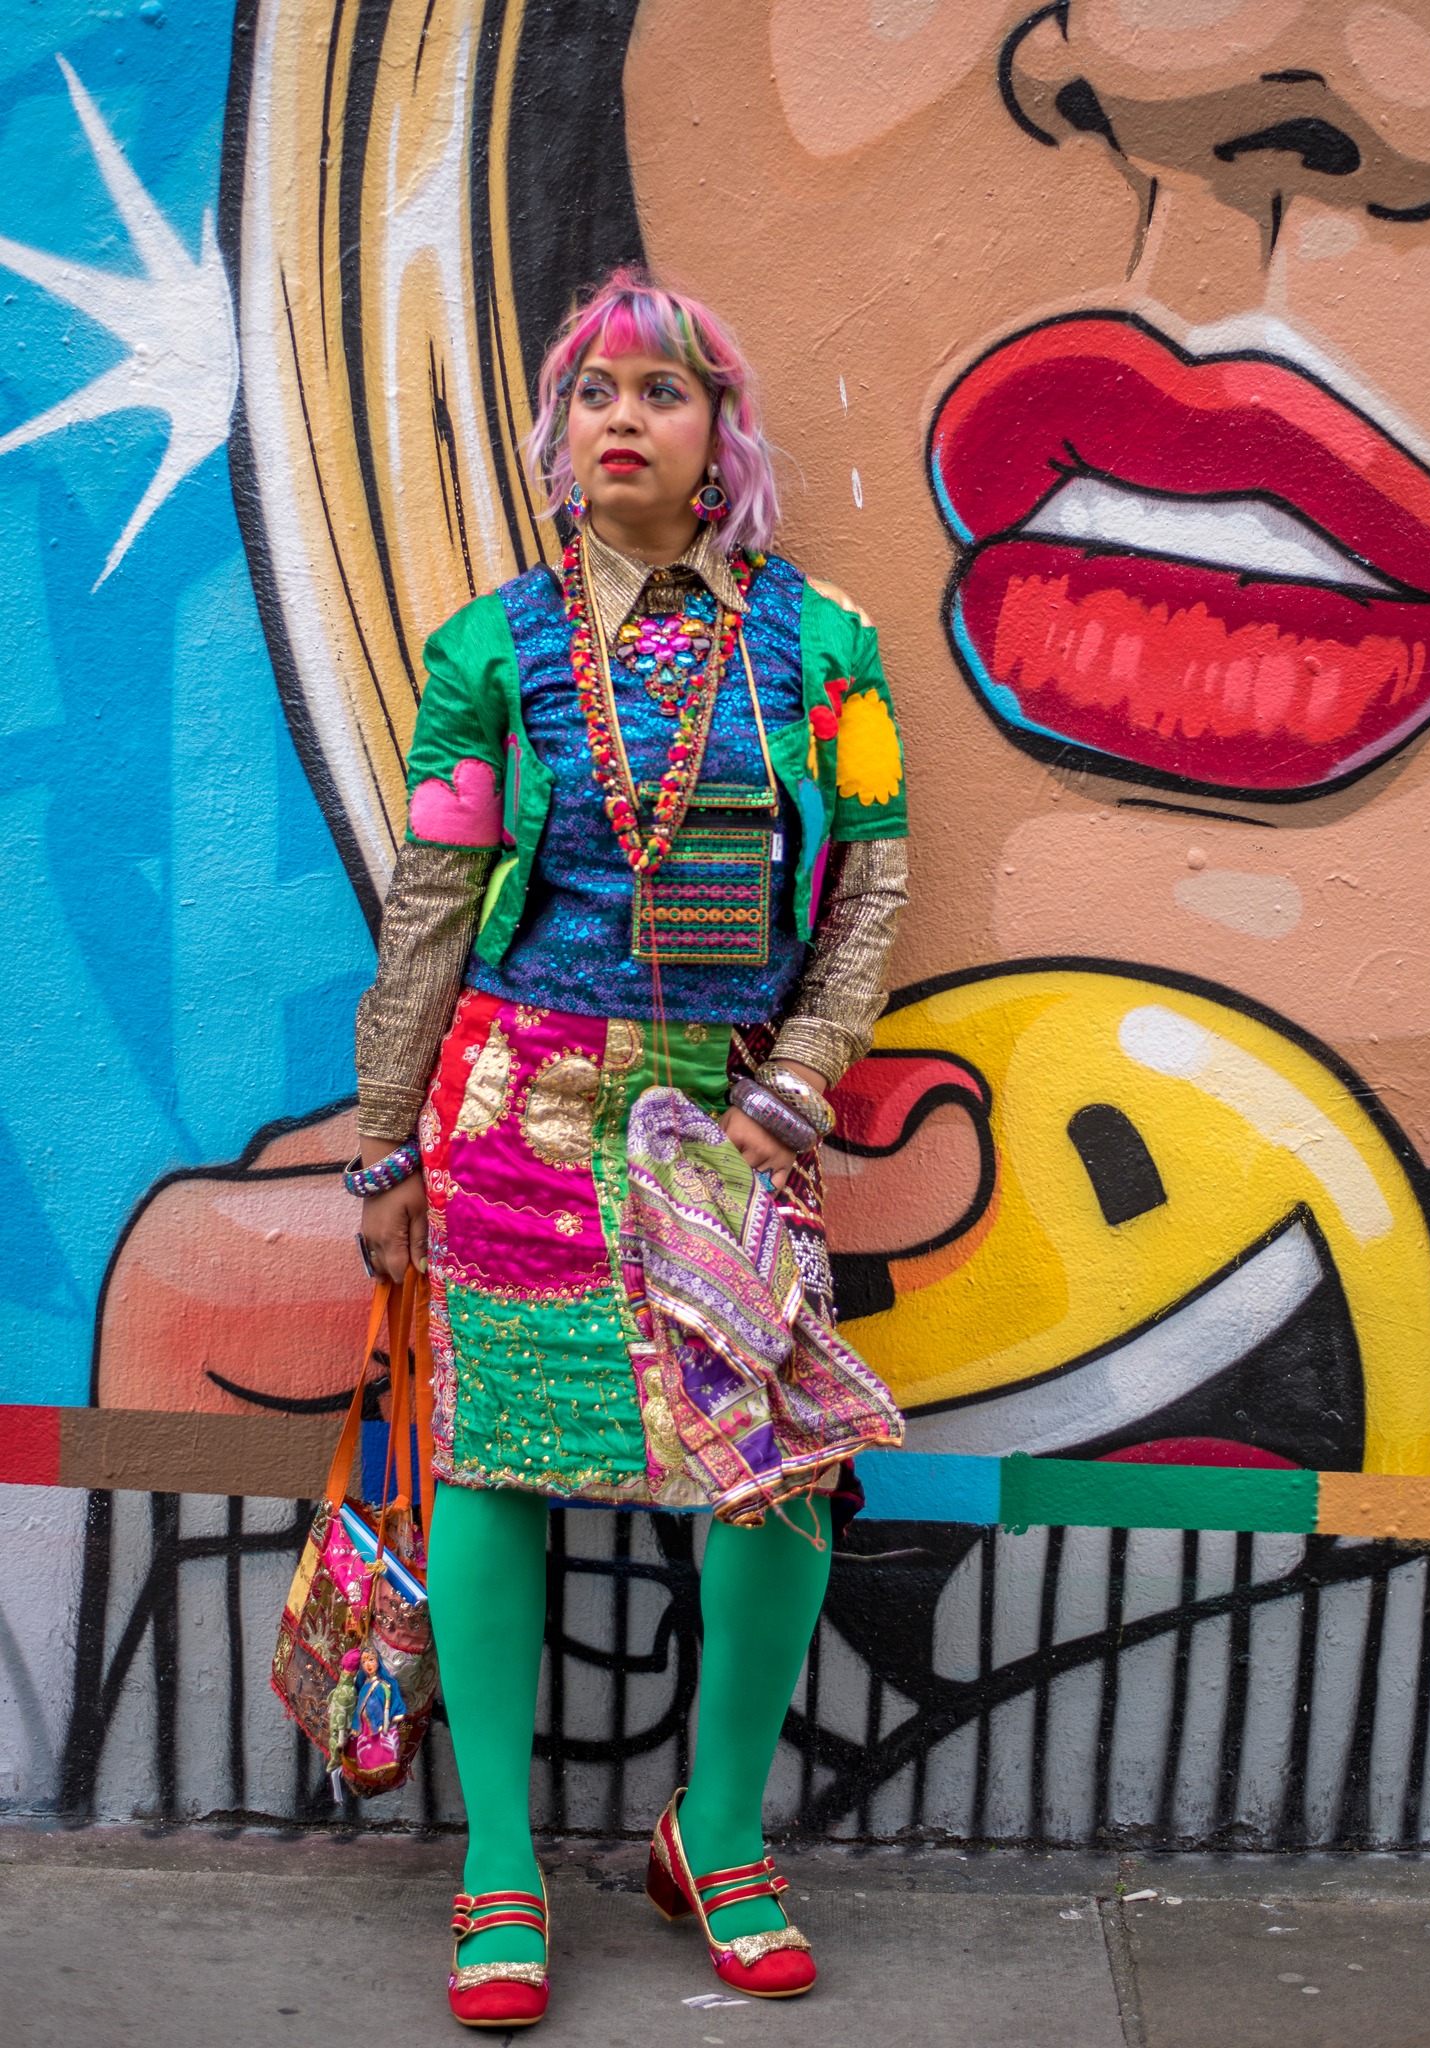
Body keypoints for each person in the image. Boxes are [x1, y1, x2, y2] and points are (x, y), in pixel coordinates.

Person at [350, 268, 909, 2029]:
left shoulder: (823, 647)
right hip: (518, 1110)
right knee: (501, 1459)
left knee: (783, 1469)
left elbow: (876, 875)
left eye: (659, 393)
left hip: (734, 1116)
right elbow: (435, 897)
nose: (619, 419)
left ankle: (715, 1832)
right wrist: (385, 1149)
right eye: (591, 394)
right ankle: (501, 1865)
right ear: (553, 439)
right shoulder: (486, 653)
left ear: (717, 439)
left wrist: (798, 1080)